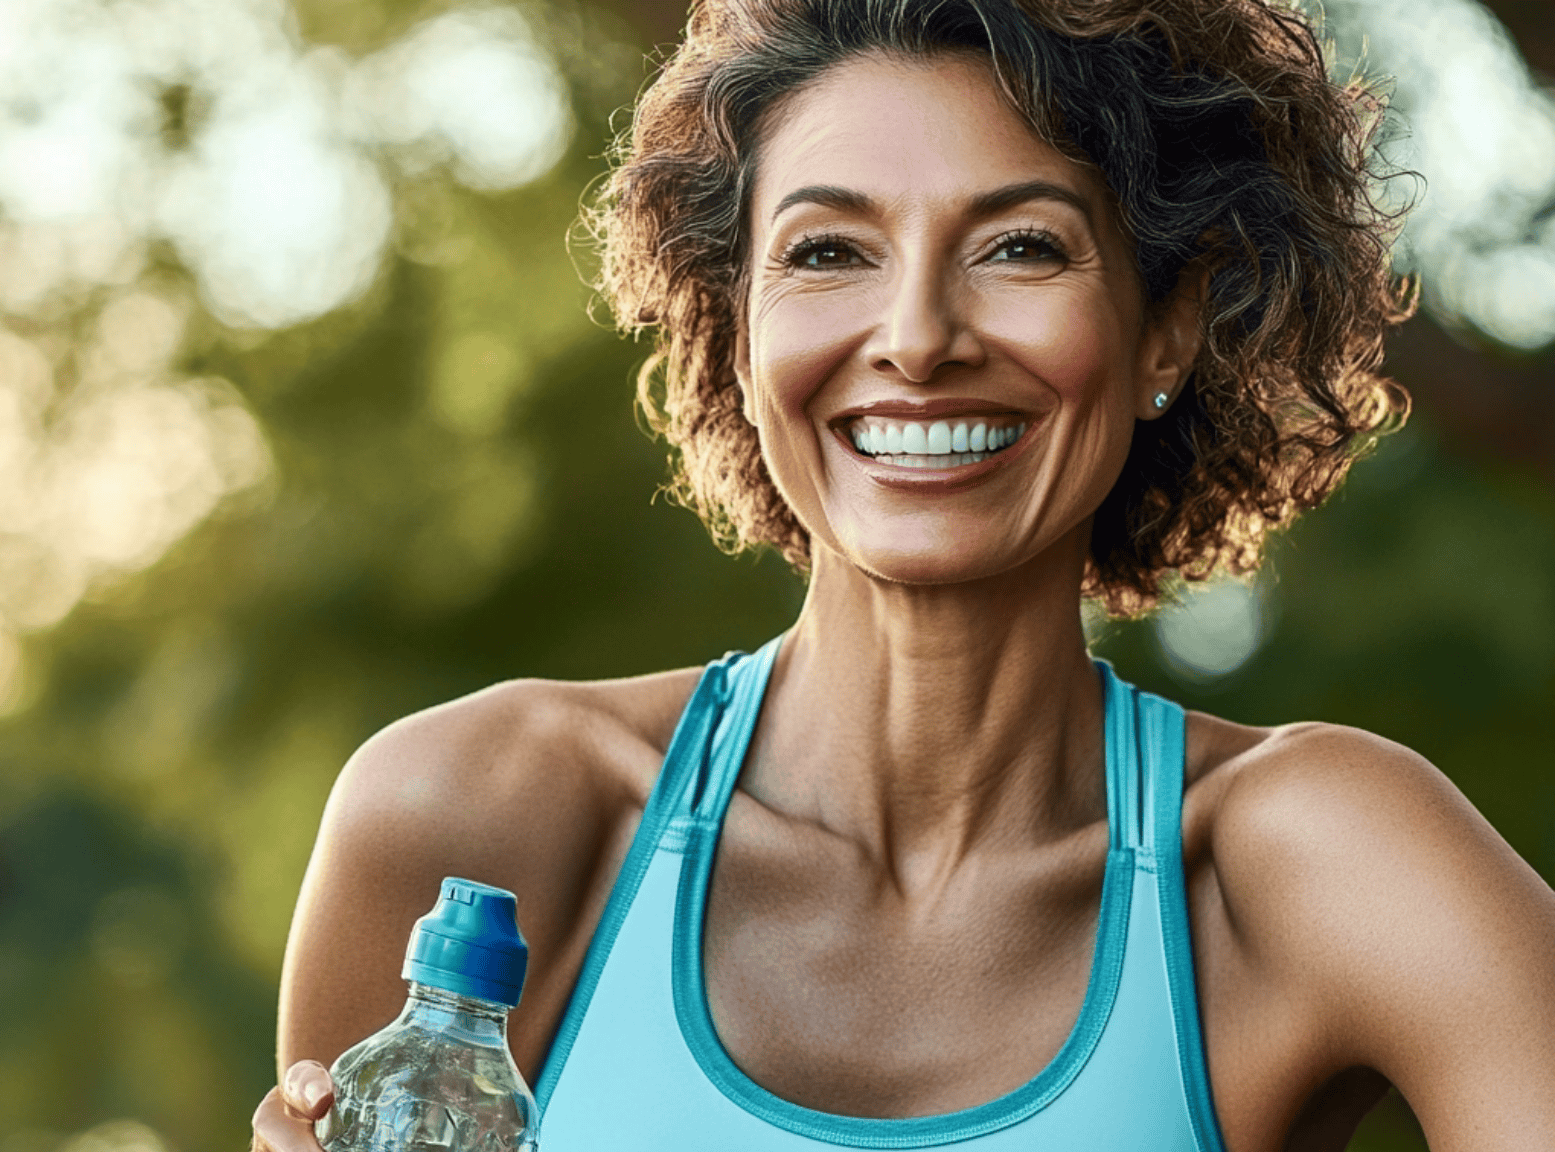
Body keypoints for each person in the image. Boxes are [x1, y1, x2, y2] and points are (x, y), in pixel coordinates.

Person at [251, 0, 1555, 1147]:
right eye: (829, 252)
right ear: (737, 323)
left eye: (1020, 246)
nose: (919, 339)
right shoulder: (481, 821)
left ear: (1165, 321)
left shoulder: (1304, 862)